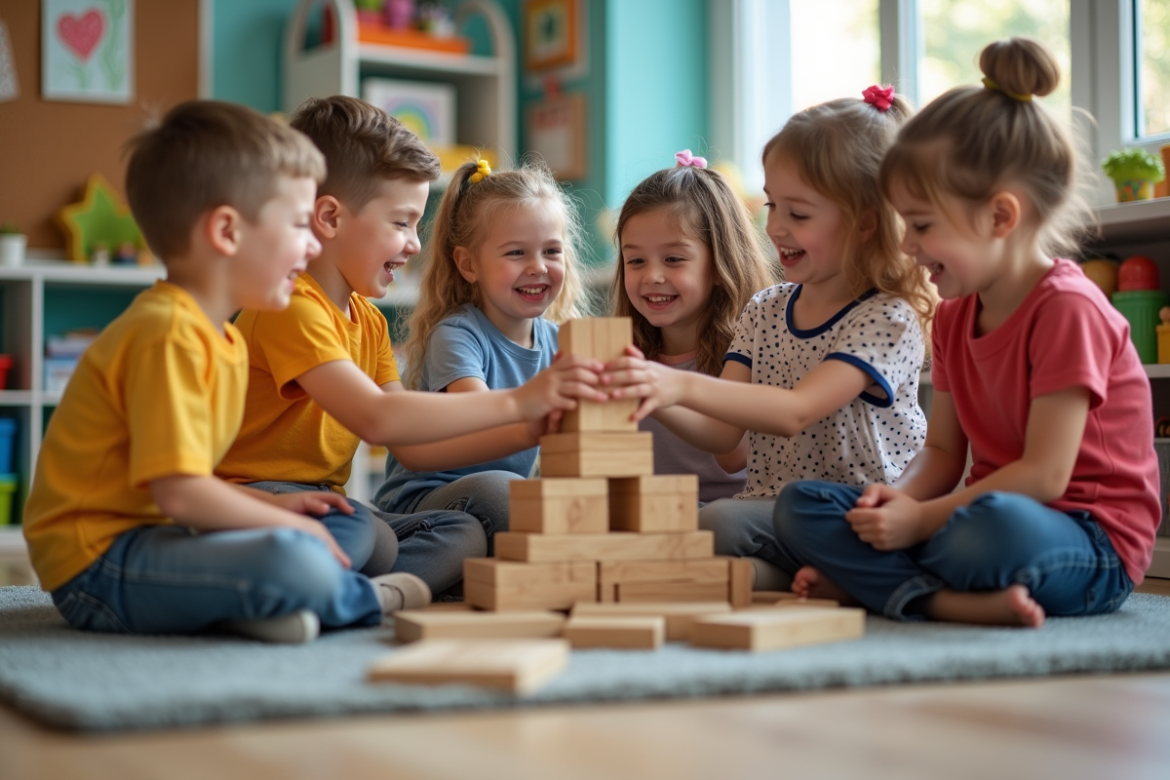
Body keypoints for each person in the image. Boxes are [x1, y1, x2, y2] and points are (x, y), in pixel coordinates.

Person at [774, 38, 1162, 628]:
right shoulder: (954, 315)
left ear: (1000, 216)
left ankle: (879, 584)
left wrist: (921, 522)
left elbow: (1045, 475)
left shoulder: (1068, 309)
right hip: (974, 517)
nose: (907, 245)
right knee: (802, 505)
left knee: (986, 530)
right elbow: (941, 453)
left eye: (922, 225)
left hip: (1088, 541)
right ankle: (937, 600)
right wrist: (901, 499)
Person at [23, 100, 411, 644]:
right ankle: (367, 599)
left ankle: (259, 607)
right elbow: (182, 496)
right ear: (227, 231)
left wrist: (274, 505)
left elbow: (195, 486)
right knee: (298, 555)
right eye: (298, 224)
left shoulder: (221, 339)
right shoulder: (168, 334)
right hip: (98, 564)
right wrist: (286, 521)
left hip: (159, 538)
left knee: (319, 534)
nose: (311, 245)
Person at [213, 97, 607, 598]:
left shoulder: (369, 322)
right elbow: (377, 419)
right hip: (251, 499)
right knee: (365, 533)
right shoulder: (289, 306)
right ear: (330, 217)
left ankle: (363, 596)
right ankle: (320, 595)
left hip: (325, 502)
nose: (416, 244)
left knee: (451, 533)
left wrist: (538, 427)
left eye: (416, 225)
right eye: (402, 223)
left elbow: (411, 447)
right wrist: (521, 405)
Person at [605, 87, 935, 593]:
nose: (775, 226)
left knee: (717, 523)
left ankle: (854, 578)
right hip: (772, 507)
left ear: (866, 223)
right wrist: (646, 391)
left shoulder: (886, 318)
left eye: (797, 214)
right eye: (772, 205)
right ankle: (806, 580)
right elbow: (723, 436)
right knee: (713, 524)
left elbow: (795, 411)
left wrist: (673, 384)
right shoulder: (766, 308)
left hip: (860, 508)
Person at [373, 159, 588, 548]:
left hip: (496, 499)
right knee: (505, 493)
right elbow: (482, 420)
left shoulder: (560, 342)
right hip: (423, 501)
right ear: (468, 264)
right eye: (516, 252)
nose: (538, 267)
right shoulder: (457, 335)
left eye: (552, 251)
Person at [610, 149, 776, 503]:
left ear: (720, 265)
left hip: (727, 513)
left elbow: (733, 456)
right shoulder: (622, 353)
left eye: (673, 259)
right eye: (635, 260)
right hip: (650, 512)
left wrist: (653, 392)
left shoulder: (750, 353)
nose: (652, 276)